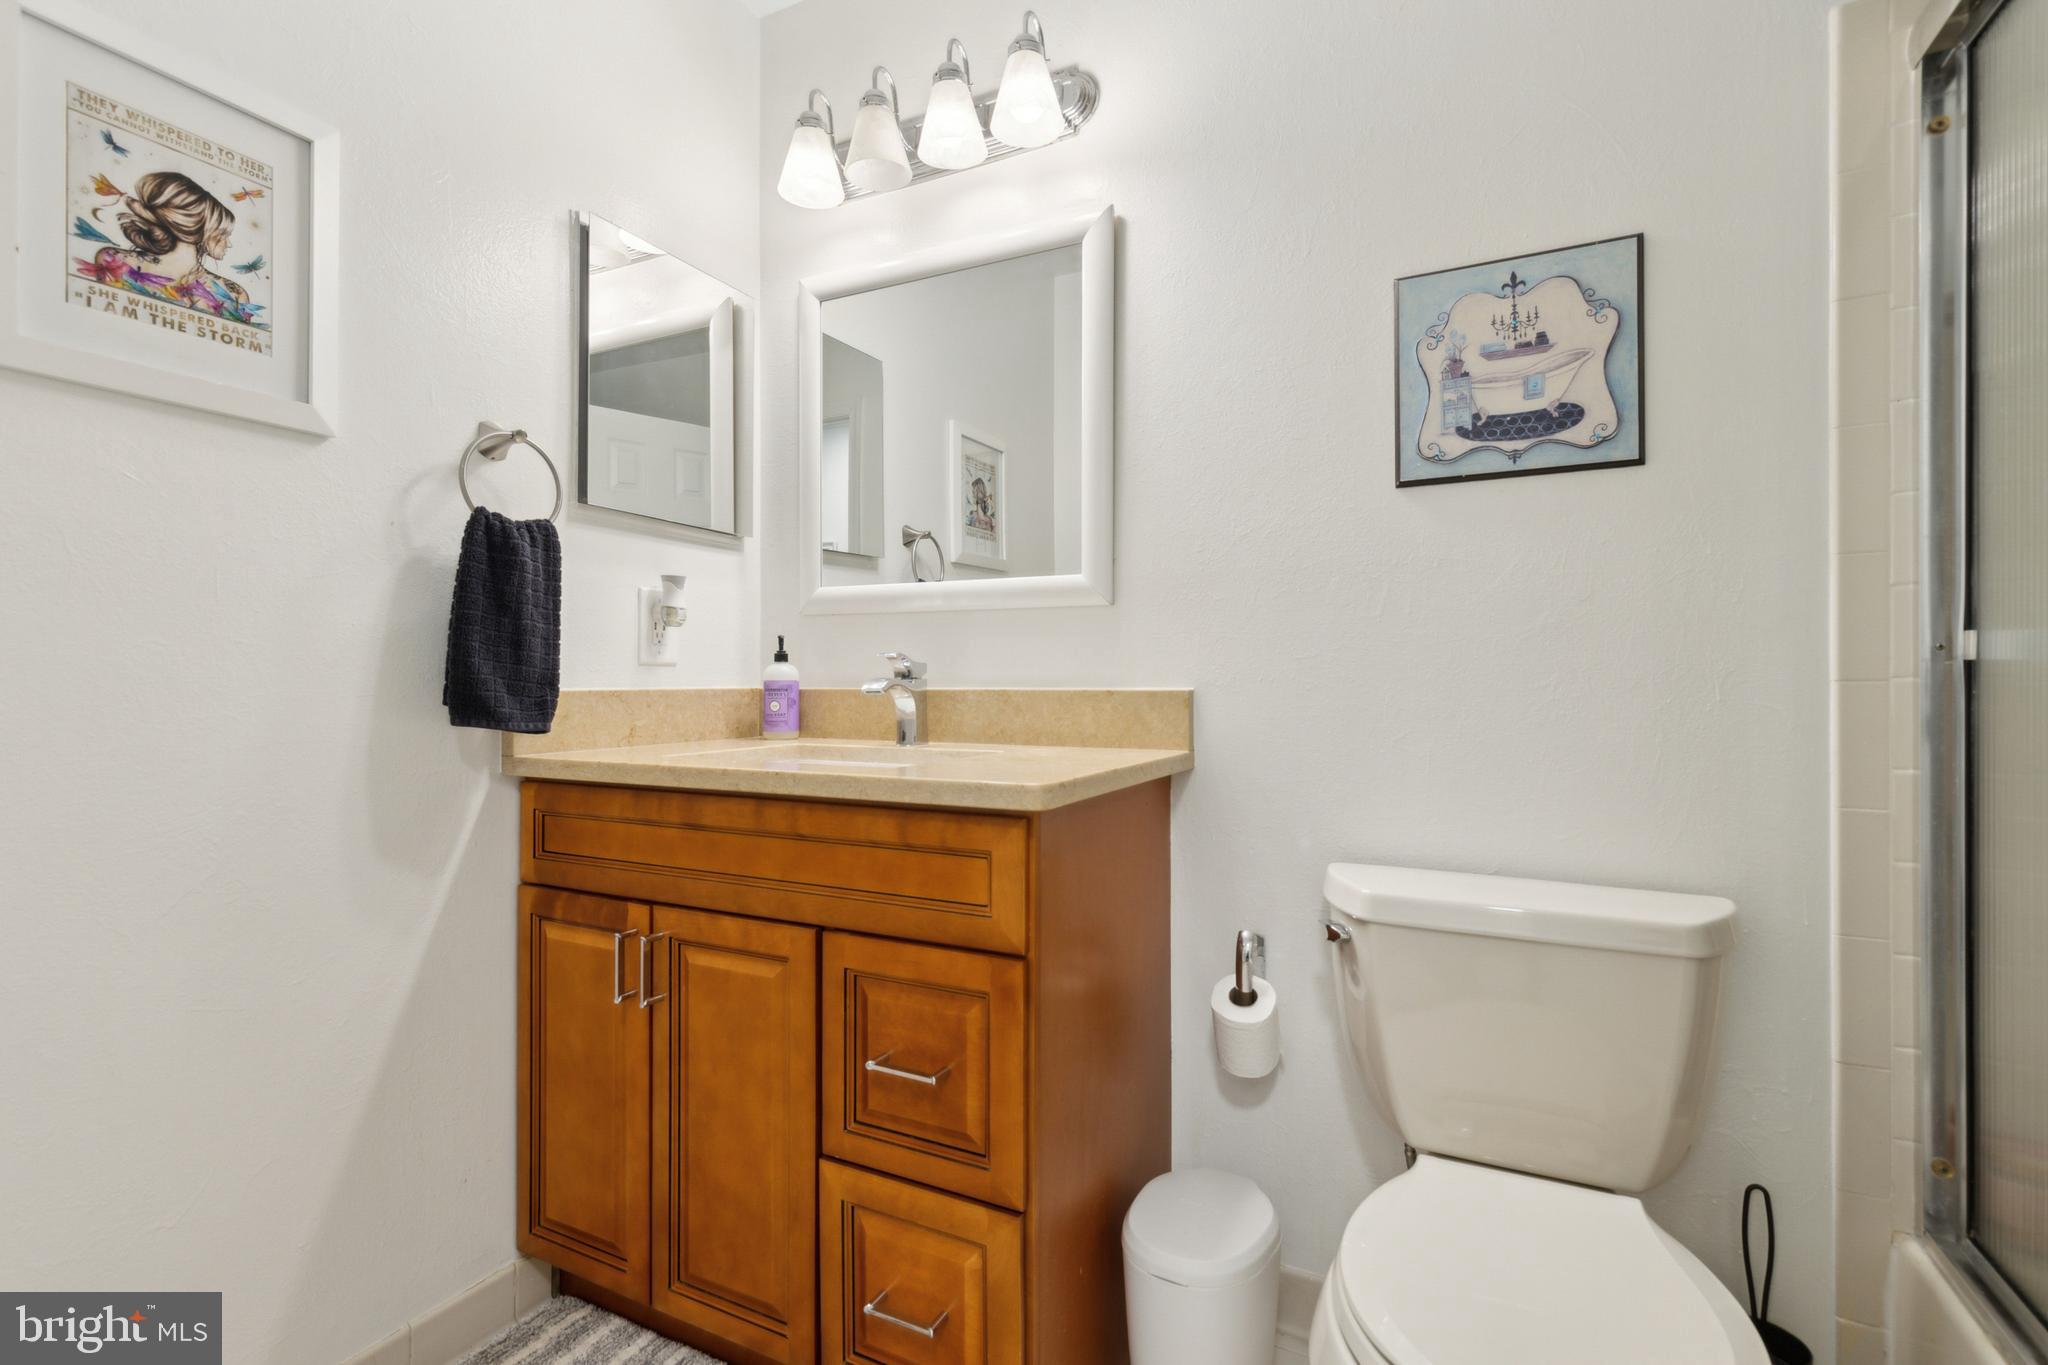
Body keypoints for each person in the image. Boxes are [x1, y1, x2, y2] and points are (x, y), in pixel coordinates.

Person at [75, 171, 265, 328]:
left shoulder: (234, 294)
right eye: (222, 234)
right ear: (196, 231)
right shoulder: (115, 262)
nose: (228, 244)